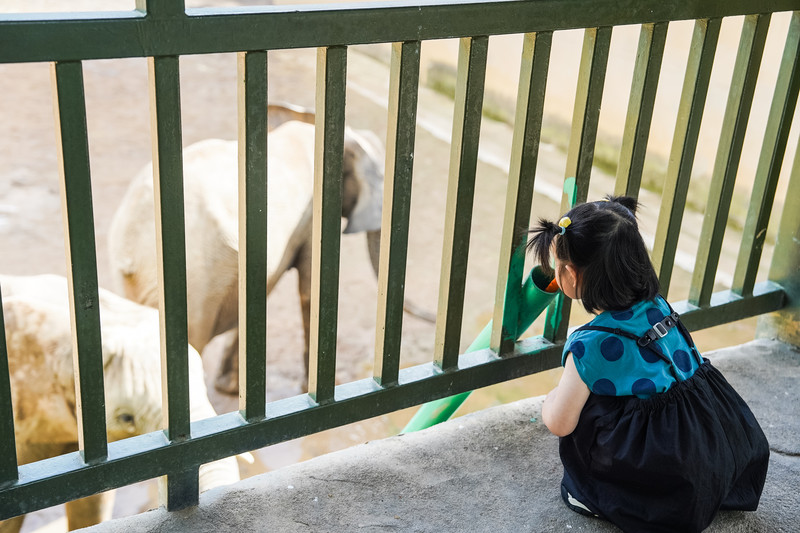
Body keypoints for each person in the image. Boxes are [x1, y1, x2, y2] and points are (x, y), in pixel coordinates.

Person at [526, 195, 770, 533]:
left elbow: (560, 423)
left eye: (557, 265)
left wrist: (552, 400)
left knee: (586, 410)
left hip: (669, 470)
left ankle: (599, 496)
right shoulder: (658, 306)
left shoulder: (590, 345)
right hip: (712, 444)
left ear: (569, 274)